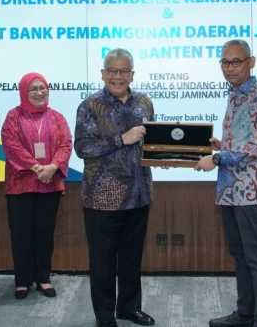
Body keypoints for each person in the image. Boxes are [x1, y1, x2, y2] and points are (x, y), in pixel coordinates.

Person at [195, 39, 257, 327]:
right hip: (231, 190)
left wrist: (218, 158)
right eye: (225, 62)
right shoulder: (234, 96)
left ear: (251, 62)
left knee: (256, 258)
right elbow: (245, 142)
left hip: (251, 191)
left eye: (236, 61)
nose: (230, 68)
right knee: (240, 255)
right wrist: (222, 145)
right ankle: (245, 314)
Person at [74, 48, 155, 327]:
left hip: (139, 195)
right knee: (103, 262)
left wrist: (162, 156)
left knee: (132, 259)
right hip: (102, 198)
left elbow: (150, 143)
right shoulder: (89, 106)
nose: (117, 76)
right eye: (112, 71)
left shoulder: (144, 103)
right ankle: (105, 316)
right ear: (103, 73)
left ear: (132, 74)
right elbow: (83, 148)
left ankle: (129, 308)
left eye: (123, 71)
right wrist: (122, 139)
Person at [1, 72, 72, 300]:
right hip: (20, 185)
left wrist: (52, 167)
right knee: (21, 234)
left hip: (49, 184)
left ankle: (43, 277)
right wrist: (36, 168)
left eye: (43, 88)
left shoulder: (57, 117)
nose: (39, 92)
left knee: (44, 233)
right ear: (24, 91)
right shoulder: (13, 116)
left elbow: (66, 144)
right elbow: (11, 145)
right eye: (33, 89)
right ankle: (22, 280)